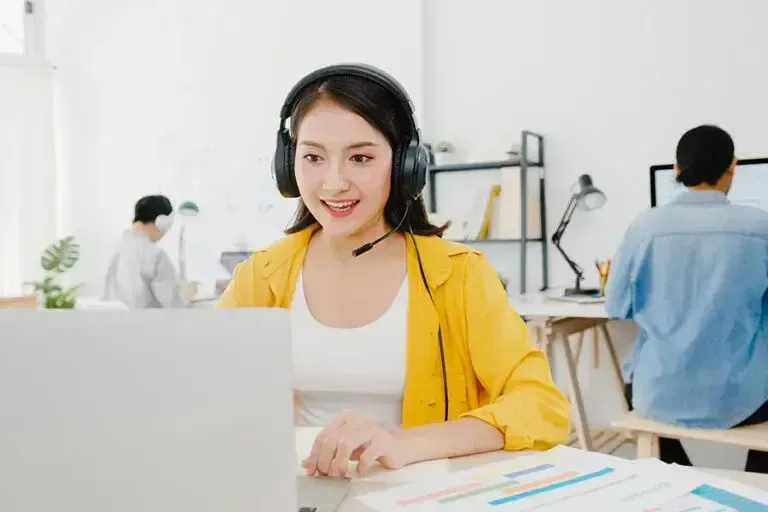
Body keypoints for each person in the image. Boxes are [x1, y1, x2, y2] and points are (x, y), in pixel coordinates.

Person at [217, 63, 570, 477]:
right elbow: (201, 391)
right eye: (313, 156)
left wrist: (404, 442)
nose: (333, 183)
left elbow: (542, 406)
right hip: (294, 491)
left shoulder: (458, 275)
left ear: (405, 166)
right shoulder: (261, 276)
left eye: (360, 157)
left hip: (421, 494)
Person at [606, 125, 768, 473]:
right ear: (733, 166)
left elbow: (616, 306)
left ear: (677, 170)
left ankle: (677, 478)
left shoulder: (645, 227)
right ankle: (753, 487)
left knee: (639, 379)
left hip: (658, 395)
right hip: (746, 400)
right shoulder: (762, 227)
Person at [104, 194, 198, 308]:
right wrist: (188, 292)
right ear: (162, 222)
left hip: (110, 323)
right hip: (147, 324)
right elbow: (173, 302)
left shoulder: (112, 250)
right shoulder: (156, 256)